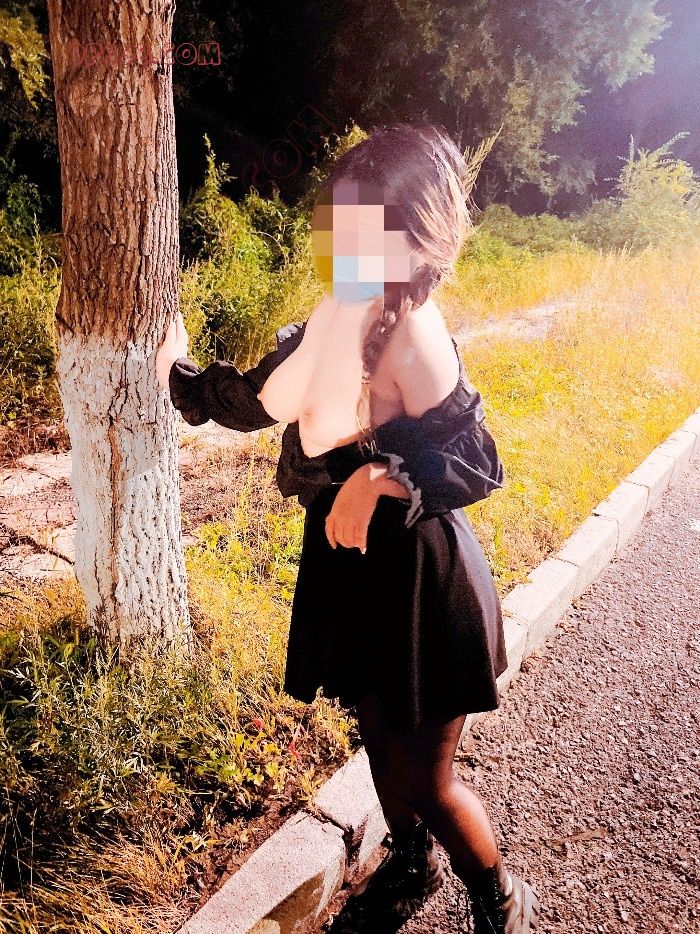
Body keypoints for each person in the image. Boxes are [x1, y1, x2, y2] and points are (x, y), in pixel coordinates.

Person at [156, 123, 540, 932]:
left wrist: (379, 476)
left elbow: (476, 460)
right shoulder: (338, 313)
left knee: (429, 780)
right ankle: (410, 863)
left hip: (421, 582)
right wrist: (175, 372)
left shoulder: (415, 334)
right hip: (353, 576)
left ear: (414, 238)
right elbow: (255, 401)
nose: (343, 242)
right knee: (376, 744)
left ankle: (499, 897)